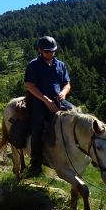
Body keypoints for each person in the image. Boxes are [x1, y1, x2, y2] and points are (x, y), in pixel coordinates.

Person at [23, 35, 73, 177]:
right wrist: (46, 100)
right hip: (39, 100)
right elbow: (30, 85)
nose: (50, 54)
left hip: (58, 98)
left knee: (76, 116)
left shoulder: (60, 65)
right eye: (47, 51)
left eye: (53, 51)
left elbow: (67, 83)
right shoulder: (33, 65)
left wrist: (63, 93)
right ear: (40, 50)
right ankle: (35, 164)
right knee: (37, 128)